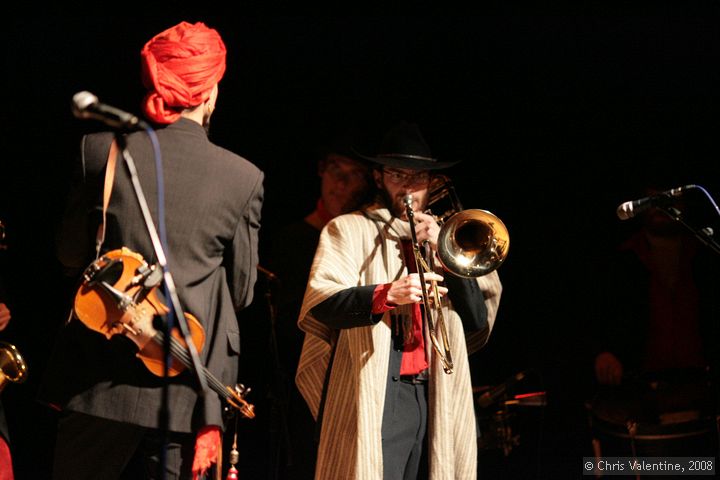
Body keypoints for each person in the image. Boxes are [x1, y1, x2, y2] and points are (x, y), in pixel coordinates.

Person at [38, 21, 264, 480]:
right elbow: (241, 292)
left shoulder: (102, 151)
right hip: (187, 394)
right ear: (211, 91)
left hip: (97, 382)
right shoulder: (243, 177)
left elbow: (68, 255)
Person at [295, 121, 503, 479]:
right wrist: (385, 294)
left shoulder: (447, 235)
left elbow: (477, 324)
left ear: (431, 182)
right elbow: (322, 304)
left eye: (418, 177)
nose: (408, 186)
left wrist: (448, 256)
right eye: (397, 174)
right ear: (378, 178)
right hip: (382, 396)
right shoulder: (348, 228)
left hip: (439, 393)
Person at [266, 127, 374, 479]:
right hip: (301, 383)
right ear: (320, 172)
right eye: (335, 171)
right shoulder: (292, 240)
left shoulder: (371, 242)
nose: (341, 183)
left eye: (353, 174)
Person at [589, 177, 720, 456]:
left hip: (702, 381)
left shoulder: (704, 253)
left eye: (667, 199)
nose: (659, 207)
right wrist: (604, 351)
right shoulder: (622, 259)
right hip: (641, 385)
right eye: (652, 199)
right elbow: (598, 312)